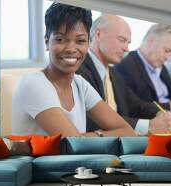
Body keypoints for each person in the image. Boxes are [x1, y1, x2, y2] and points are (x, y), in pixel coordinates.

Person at [11, 3, 135, 137]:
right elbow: (72, 143)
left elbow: (128, 132)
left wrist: (91, 136)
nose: (71, 49)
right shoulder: (33, 83)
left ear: (88, 43)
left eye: (80, 41)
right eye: (60, 39)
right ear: (47, 42)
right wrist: (95, 137)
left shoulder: (80, 85)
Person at [76, 15, 171, 135]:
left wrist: (160, 113)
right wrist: (149, 126)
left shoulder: (113, 73)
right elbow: (93, 121)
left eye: (128, 43)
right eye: (122, 40)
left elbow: (136, 105)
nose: (126, 48)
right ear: (98, 35)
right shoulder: (78, 69)